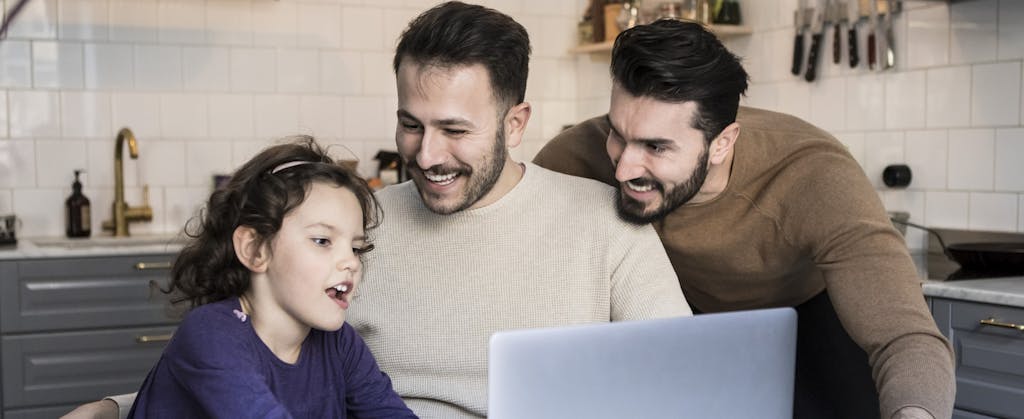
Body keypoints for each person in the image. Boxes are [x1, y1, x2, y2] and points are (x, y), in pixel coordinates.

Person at [61, 3, 691, 419]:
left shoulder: (606, 223)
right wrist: (119, 406)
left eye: (454, 129)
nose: (427, 154)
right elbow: (248, 351)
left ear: (515, 122)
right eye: (409, 124)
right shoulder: (355, 228)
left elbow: (687, 381)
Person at [533, 19, 955, 419]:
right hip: (684, 321)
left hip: (808, 315)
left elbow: (906, 337)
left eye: (656, 147)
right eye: (618, 134)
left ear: (722, 144)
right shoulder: (572, 158)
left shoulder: (815, 175)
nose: (623, 168)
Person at [126, 137, 415, 418]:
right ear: (254, 249)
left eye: (355, 247)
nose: (351, 262)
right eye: (322, 241)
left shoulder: (340, 344)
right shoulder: (211, 334)